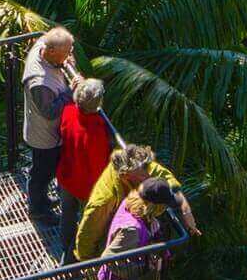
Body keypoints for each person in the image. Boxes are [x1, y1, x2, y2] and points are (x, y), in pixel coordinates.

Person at [75, 142, 200, 263]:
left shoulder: (144, 167)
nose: (149, 176)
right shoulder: (106, 199)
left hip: (138, 229)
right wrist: (88, 263)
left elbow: (171, 184)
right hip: (112, 236)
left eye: (147, 169)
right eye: (142, 175)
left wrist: (186, 212)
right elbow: (89, 231)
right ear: (126, 176)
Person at [20, 26, 78, 228]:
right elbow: (50, 111)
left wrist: (68, 63)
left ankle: (42, 200)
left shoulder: (43, 47)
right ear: (51, 51)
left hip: (47, 133)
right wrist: (71, 93)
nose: (69, 56)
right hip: (44, 137)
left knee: (42, 171)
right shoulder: (40, 82)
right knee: (42, 173)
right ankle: (38, 211)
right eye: (66, 53)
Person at [55, 76, 112, 251]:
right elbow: (98, 165)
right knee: (90, 223)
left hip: (67, 175)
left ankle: (65, 246)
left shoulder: (68, 112)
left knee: (68, 215)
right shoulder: (96, 132)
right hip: (87, 186)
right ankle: (82, 254)